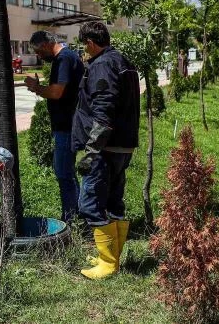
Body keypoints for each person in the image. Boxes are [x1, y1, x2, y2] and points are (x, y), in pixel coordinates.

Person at [72, 21, 140, 280]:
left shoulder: (102, 65)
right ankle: (111, 258)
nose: (84, 51)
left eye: (84, 46)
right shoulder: (122, 61)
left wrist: (90, 150)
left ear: (90, 43)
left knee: (90, 203)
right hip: (122, 145)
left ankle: (108, 263)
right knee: (113, 201)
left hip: (104, 148)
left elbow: (103, 110)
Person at [24, 31, 85, 222]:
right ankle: (75, 213)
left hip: (66, 125)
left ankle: (70, 218)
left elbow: (57, 92)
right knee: (67, 171)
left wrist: (36, 87)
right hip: (67, 123)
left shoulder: (64, 59)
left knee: (63, 172)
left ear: (44, 45)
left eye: (38, 52)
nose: (40, 57)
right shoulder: (67, 56)